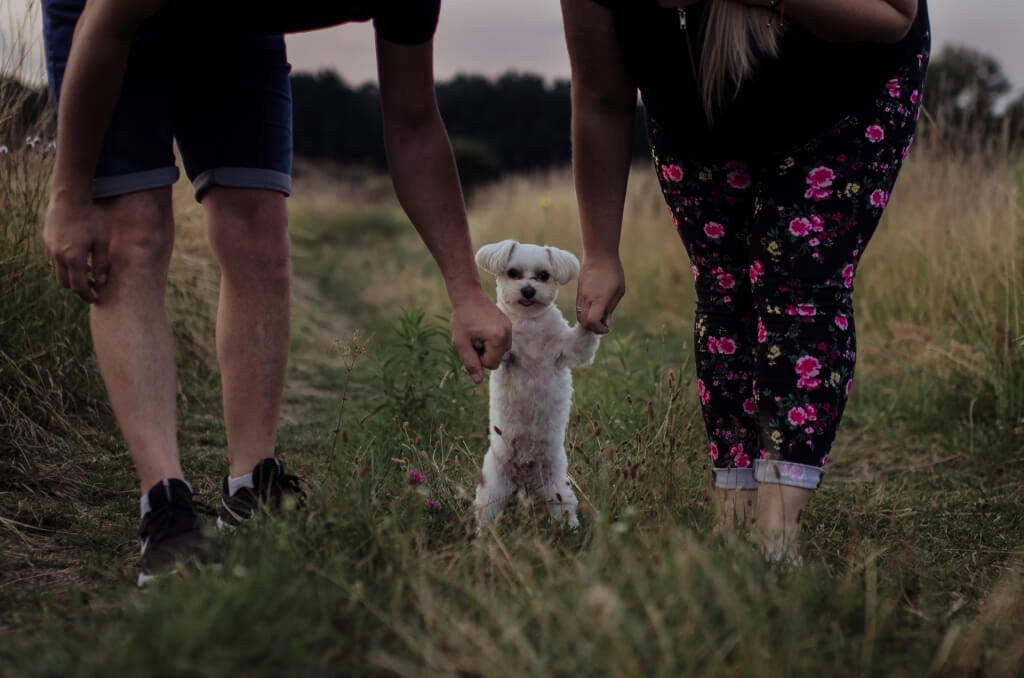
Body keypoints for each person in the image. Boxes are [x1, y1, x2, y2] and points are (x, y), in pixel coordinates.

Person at [41, 0, 511, 584]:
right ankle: (165, 509)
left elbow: (414, 125)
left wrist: (465, 290)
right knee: (133, 236)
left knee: (259, 236)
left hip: (238, 27)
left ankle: (250, 488)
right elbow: (108, 21)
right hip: (109, 21)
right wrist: (69, 192)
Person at [562, 0, 929, 559]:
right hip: (698, 117)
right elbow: (601, 96)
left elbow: (893, 13)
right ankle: (734, 518)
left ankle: (775, 539)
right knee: (724, 291)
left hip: (845, 93)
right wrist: (599, 252)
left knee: (800, 284)